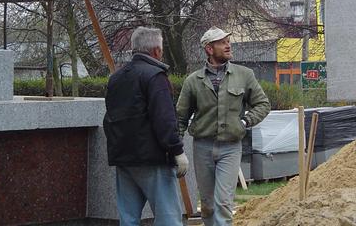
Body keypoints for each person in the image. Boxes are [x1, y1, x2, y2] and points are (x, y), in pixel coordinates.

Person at [177, 27, 270, 226]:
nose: (228, 45)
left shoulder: (244, 75)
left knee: (224, 203)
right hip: (202, 148)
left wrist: (245, 121)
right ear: (209, 49)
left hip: (231, 147)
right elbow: (180, 117)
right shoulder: (193, 81)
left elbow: (263, 104)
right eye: (222, 42)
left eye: (228, 41)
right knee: (208, 204)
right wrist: (176, 150)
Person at [103, 26, 189, 226]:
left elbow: (109, 118)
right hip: (153, 160)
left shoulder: (115, 78)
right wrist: (177, 150)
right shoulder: (155, 76)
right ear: (156, 51)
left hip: (124, 159)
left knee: (128, 219)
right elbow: (164, 119)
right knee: (168, 219)